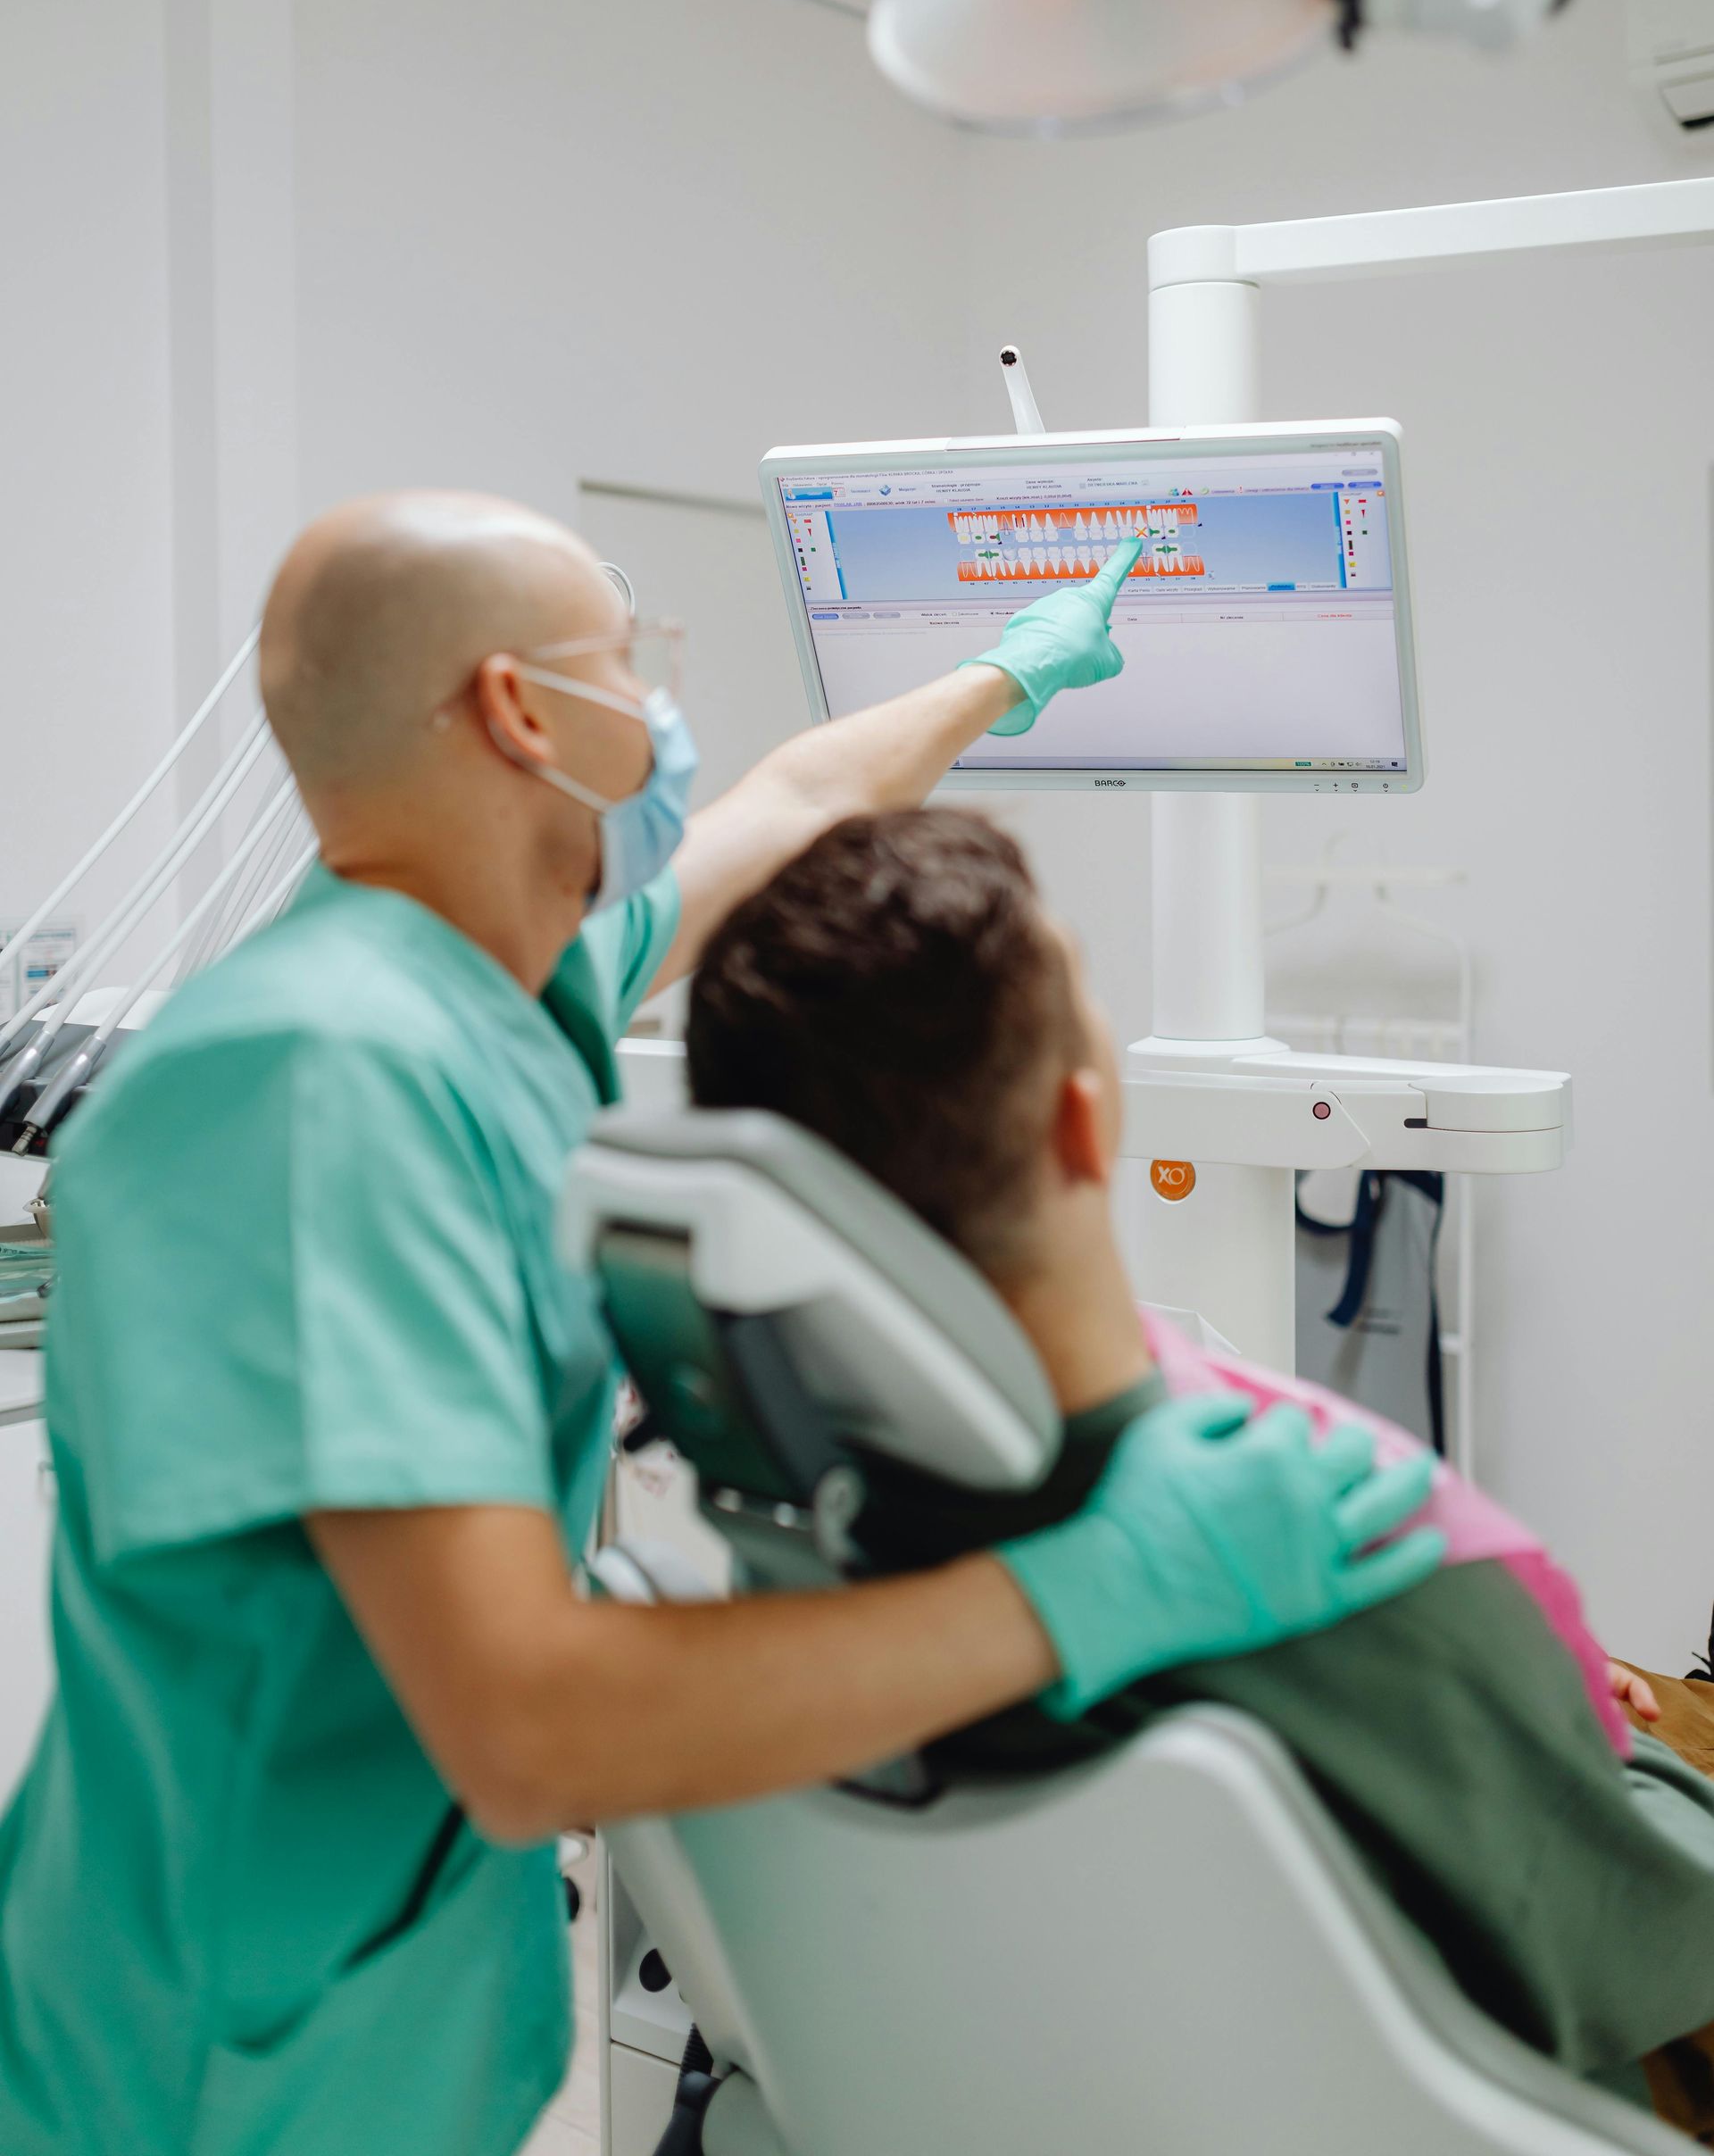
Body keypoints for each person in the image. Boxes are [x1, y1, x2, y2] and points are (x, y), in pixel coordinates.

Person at [0, 493, 1440, 2156]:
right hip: (211, 2078)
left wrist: (1010, 671)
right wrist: (1100, 1584)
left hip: (363, 2029)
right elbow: (531, 1722)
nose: (664, 708)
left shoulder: (493, 984)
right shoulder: (325, 1084)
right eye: (633, 664)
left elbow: (804, 798)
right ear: (520, 711)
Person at [685, 805, 1714, 2119]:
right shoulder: (1355, 1558)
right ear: (1083, 1120)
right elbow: (1652, 1932)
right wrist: (1595, 1746)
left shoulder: (802, 1567)